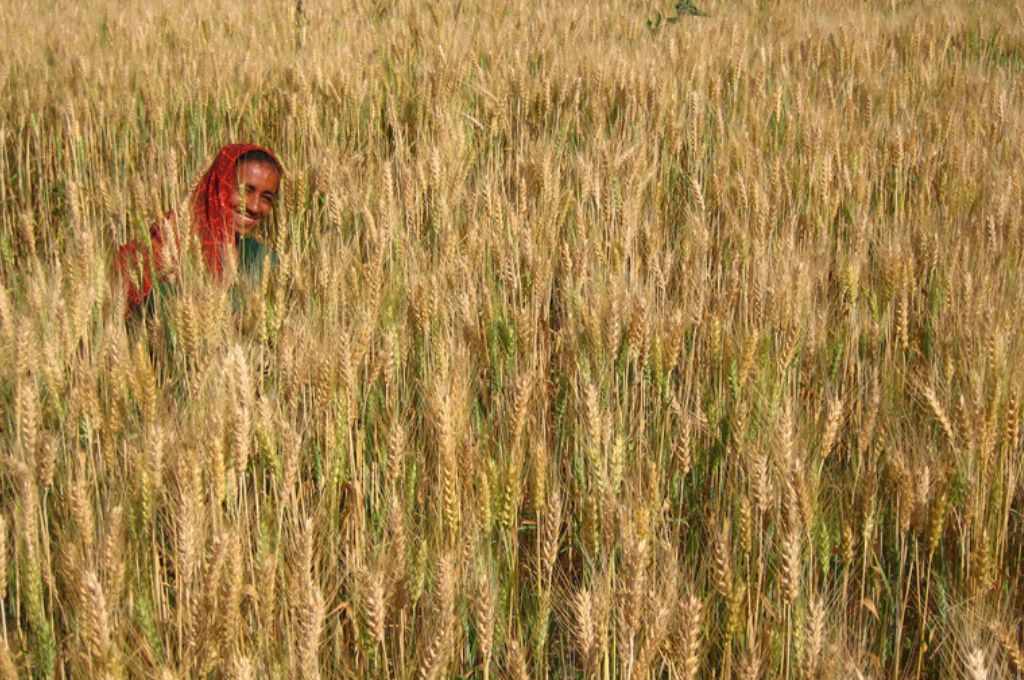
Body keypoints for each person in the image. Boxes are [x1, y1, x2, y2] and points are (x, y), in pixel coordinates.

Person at [114, 143, 283, 312]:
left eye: (267, 198)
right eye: (245, 190)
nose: (254, 206)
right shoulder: (166, 243)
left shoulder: (261, 258)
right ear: (220, 184)